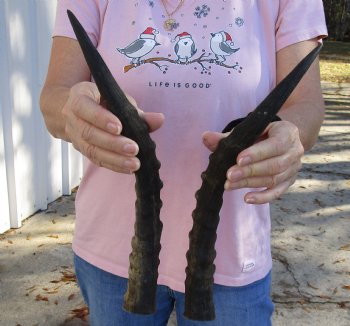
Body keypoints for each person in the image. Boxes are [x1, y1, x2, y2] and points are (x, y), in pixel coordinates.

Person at [40, 1, 327, 325]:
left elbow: (306, 105)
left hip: (231, 258)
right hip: (112, 256)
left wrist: (290, 136)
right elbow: (54, 96)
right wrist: (74, 114)